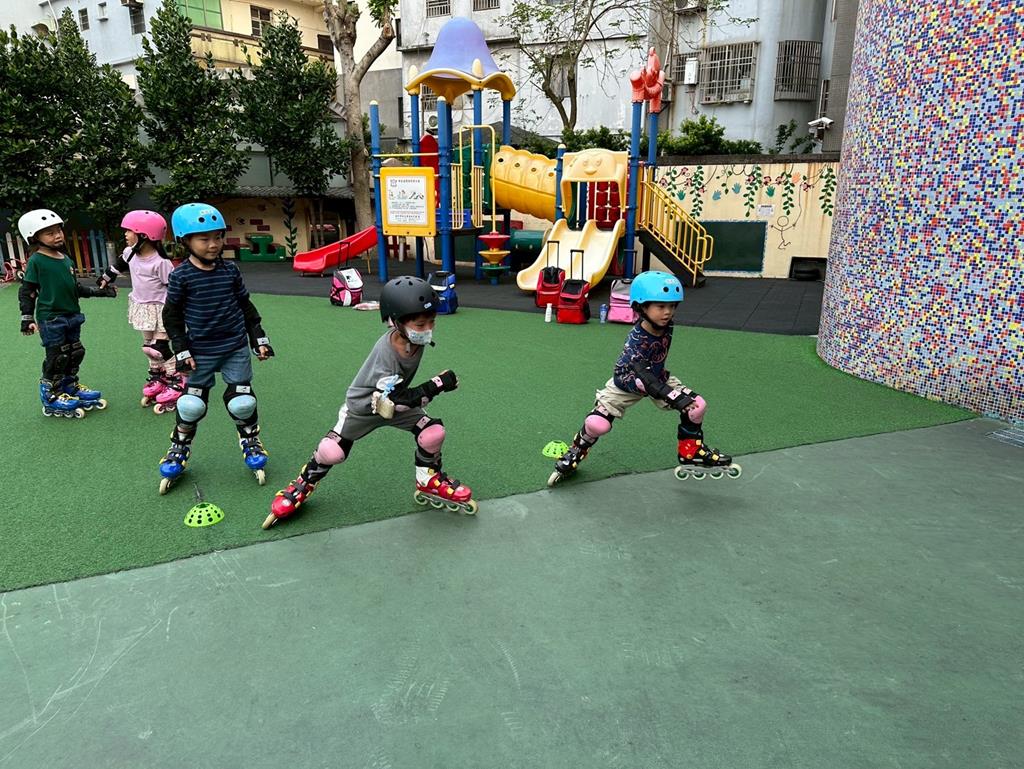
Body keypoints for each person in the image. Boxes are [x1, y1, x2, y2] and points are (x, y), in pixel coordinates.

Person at [263, 276, 476, 529]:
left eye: (432, 321)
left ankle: (427, 479)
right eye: (421, 324)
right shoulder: (386, 355)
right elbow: (396, 401)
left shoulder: (412, 339)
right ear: (396, 322)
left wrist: (429, 387)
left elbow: (396, 401)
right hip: (364, 408)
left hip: (393, 403)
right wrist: (437, 384)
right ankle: (304, 482)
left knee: (433, 433)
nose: (428, 328)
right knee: (332, 452)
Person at [547, 270, 739, 486]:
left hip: (657, 377)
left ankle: (691, 451)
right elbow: (645, 379)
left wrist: (675, 395)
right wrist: (675, 397)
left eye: (672, 306)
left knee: (697, 406)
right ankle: (577, 450)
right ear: (641, 307)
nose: (668, 312)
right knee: (597, 424)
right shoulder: (637, 341)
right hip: (627, 383)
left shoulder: (666, 325)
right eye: (661, 306)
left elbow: (654, 379)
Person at [157, 202, 274, 494]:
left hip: (234, 346)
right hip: (199, 352)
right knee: (191, 405)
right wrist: (181, 349)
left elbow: (245, 305)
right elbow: (171, 316)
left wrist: (258, 337)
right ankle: (179, 446)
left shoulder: (230, 270)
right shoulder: (181, 276)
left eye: (218, 237)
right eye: (204, 238)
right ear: (185, 241)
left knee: (242, 402)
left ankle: (250, 439)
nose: (213, 244)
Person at [17, 208, 117, 418]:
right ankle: (51, 395)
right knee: (57, 357)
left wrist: (100, 292)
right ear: (34, 237)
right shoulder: (36, 261)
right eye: (49, 233)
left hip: (72, 315)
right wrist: (27, 318)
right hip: (51, 318)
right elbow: (28, 291)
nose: (57, 236)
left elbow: (75, 288)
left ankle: (70, 386)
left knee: (75, 353)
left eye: (58, 230)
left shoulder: (65, 259)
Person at [98, 210, 182, 413]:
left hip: (162, 309)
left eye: (129, 231)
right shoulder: (130, 253)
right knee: (148, 347)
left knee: (159, 347)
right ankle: (157, 377)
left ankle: (176, 379)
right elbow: (118, 265)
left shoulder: (161, 262)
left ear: (144, 235)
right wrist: (105, 278)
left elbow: (174, 289)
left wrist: (177, 314)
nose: (125, 234)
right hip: (143, 307)